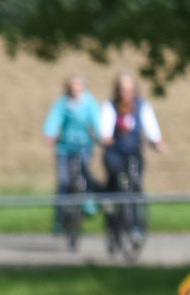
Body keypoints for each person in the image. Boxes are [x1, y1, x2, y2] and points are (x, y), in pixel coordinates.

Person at [98, 72, 166, 237]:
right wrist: (105, 136)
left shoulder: (142, 106)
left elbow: (150, 127)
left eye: (129, 90)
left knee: (135, 186)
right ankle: (110, 203)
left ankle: (136, 225)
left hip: (134, 153)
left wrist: (157, 141)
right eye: (122, 90)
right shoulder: (110, 106)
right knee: (114, 176)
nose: (126, 93)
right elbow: (104, 126)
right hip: (115, 152)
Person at [42, 74, 102, 232]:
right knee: (63, 181)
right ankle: (60, 217)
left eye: (78, 87)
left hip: (84, 145)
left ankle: (88, 203)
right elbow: (54, 119)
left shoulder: (89, 103)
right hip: (65, 147)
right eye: (73, 87)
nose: (75, 90)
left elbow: (97, 120)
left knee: (84, 174)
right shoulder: (63, 103)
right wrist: (50, 133)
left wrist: (101, 135)